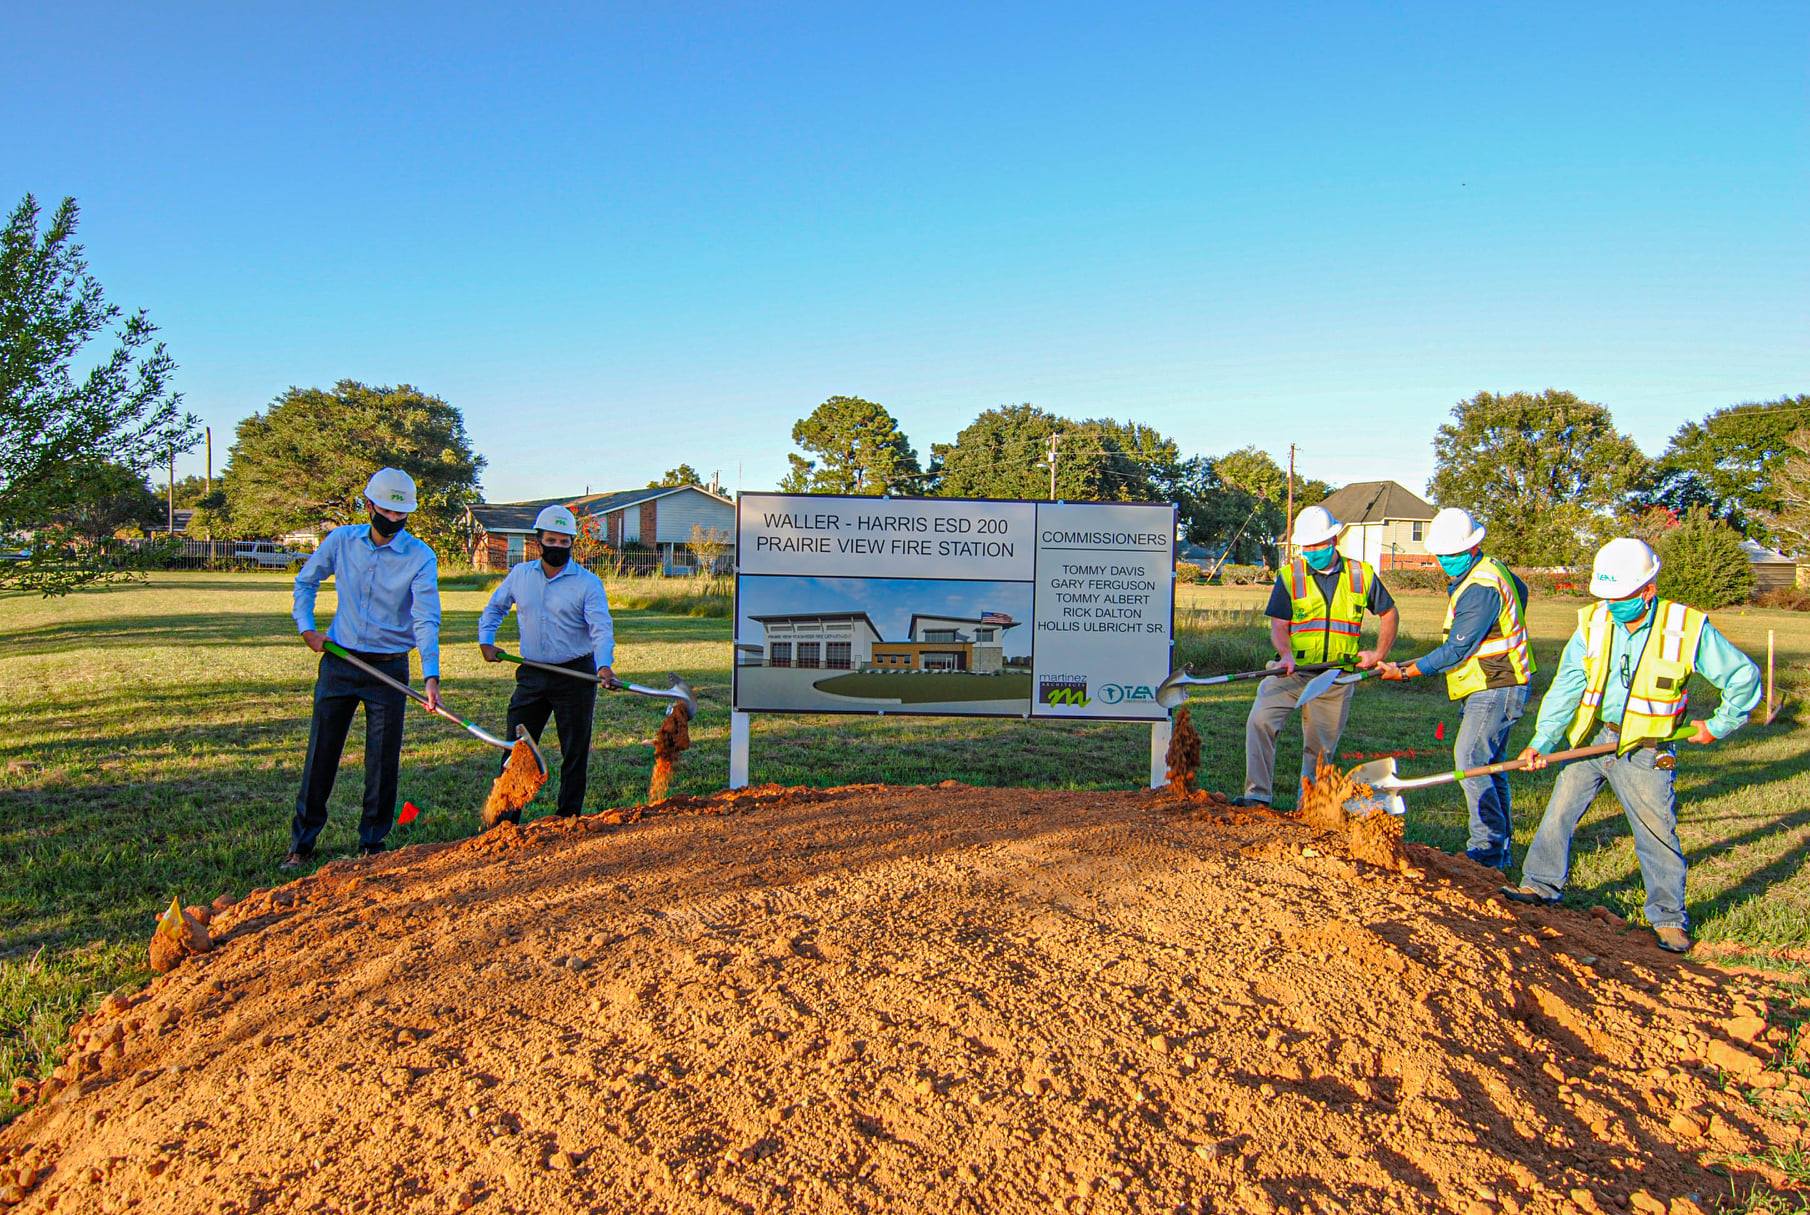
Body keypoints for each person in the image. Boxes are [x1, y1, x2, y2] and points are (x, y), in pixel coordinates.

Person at [1501, 538, 1761, 954]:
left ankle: (1668, 917)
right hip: (1595, 740)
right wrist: (1541, 741)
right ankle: (1539, 884)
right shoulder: (1593, 623)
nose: (1610, 605)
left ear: (1647, 591)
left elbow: (1743, 677)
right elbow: (1567, 686)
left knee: (1655, 832)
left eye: (1619, 598)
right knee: (1560, 810)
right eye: (1604, 597)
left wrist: (1719, 724)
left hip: (1645, 748)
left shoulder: (1685, 628)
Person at [286, 468, 442, 868]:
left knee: (382, 758)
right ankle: (302, 844)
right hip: (340, 661)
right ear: (368, 505)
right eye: (385, 512)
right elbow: (306, 582)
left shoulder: (421, 556)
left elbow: (426, 618)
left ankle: (372, 843)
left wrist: (430, 674)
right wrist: (307, 628)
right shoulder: (341, 542)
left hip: (389, 668)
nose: (392, 521)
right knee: (322, 751)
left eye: (400, 515)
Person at [1379, 507, 1534, 870]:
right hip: (1493, 682)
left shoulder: (1480, 587)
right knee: (1490, 767)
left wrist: (1406, 673)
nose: (1446, 561)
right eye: (1442, 555)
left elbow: (1458, 648)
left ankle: (1485, 850)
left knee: (1470, 761)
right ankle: (1497, 850)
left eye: (1452, 554)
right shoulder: (1492, 571)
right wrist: (1404, 665)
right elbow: (1519, 596)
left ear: (1472, 547)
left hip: (1496, 684)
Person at [1239, 505, 1399, 807]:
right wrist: (1285, 654)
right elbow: (1279, 624)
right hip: (1292, 671)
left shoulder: (1361, 575)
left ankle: (1308, 808)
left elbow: (1389, 612)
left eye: (1317, 546)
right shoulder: (1290, 575)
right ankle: (1256, 797)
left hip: (1335, 677)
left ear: (1334, 541)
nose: (1311, 552)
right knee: (1259, 721)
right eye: (1306, 547)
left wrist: (1379, 653)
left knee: (1320, 749)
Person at [478, 504, 616, 822]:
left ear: (572, 543)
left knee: (574, 749)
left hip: (575, 673)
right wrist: (486, 639)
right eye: (550, 540)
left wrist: (604, 665)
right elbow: (495, 608)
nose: (556, 547)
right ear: (538, 540)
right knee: (517, 747)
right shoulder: (520, 575)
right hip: (532, 673)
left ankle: (568, 818)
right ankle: (505, 820)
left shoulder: (587, 584)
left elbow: (601, 628)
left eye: (563, 541)